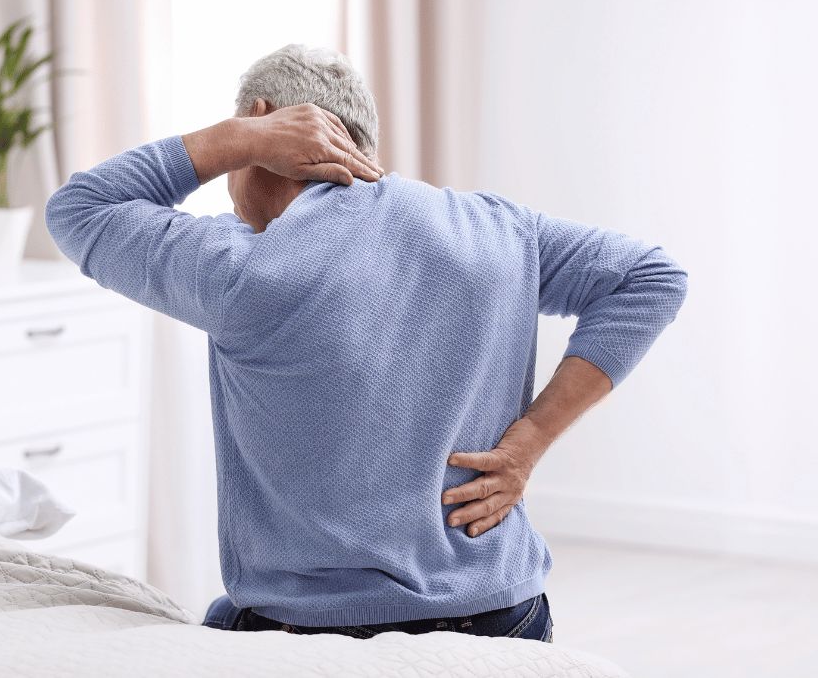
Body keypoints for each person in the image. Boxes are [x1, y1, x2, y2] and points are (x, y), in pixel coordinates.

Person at [45, 44, 687, 643]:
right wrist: (532, 438)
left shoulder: (244, 266)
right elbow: (651, 277)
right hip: (505, 616)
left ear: (269, 124)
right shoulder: (494, 228)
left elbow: (79, 209)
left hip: (318, 632)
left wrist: (236, 139)